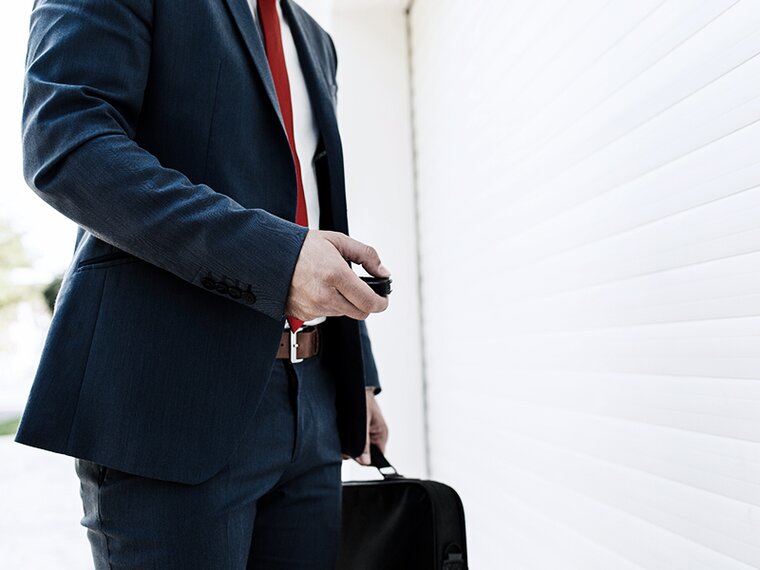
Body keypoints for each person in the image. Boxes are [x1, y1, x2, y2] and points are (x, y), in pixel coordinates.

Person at [15, 0, 391, 567]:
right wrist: (275, 260)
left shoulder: (314, 38)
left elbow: (314, 214)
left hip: (313, 403)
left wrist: (355, 376)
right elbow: (66, 146)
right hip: (170, 406)